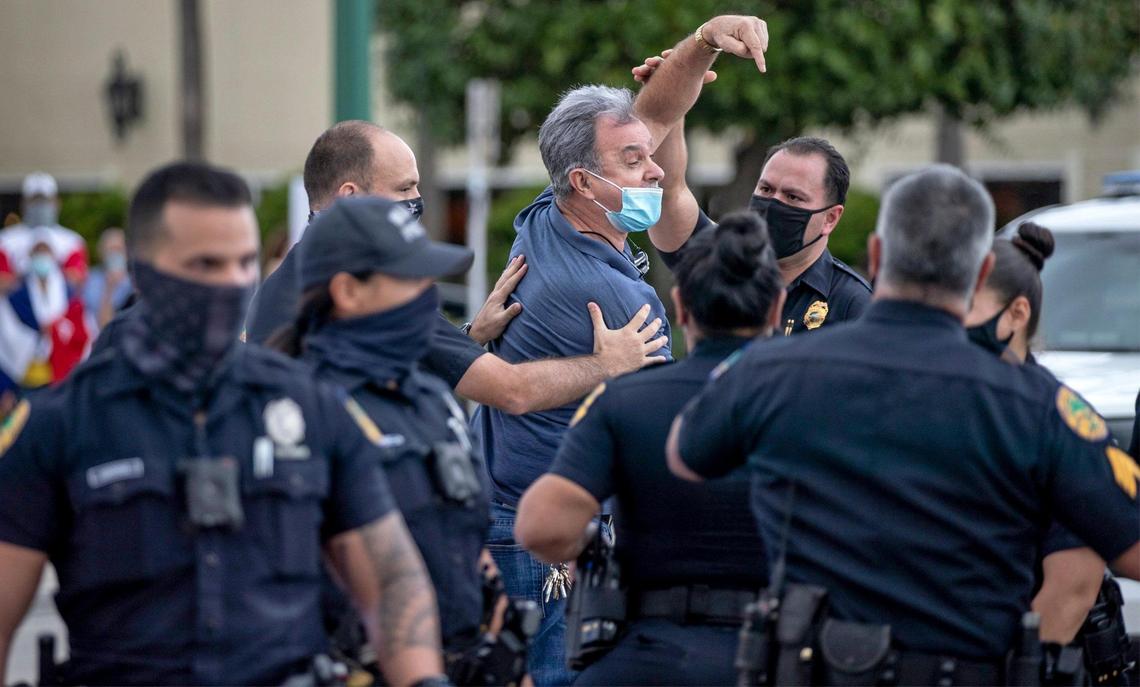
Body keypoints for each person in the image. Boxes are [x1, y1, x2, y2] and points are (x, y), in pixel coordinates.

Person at [668, 165, 1140, 681]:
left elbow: (687, 455)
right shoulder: (1041, 405)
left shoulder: (773, 371)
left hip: (820, 666)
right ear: (981, 272)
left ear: (876, 256)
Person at [0, 162, 447, 686]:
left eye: (244, 262)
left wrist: (423, 680)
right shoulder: (61, 426)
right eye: (207, 264)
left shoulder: (309, 407)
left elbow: (391, 580)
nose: (233, 281)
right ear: (143, 272)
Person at [515, 211, 784, 685]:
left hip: (646, 656)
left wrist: (588, 547)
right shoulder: (808, 400)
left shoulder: (626, 400)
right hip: (776, 653)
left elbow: (541, 526)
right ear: (777, 307)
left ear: (680, 307)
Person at [245, 120, 665, 417]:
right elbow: (512, 391)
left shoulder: (285, 280)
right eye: (404, 188)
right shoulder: (370, 292)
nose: (416, 201)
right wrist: (607, 363)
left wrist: (470, 336)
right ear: (351, 197)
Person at [271, 195, 517, 683]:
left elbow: (472, 543)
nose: (428, 296)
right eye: (411, 279)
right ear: (348, 291)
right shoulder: (294, 413)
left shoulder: (431, 399)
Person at [965, 222, 1135, 683]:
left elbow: (1071, 590)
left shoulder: (1055, 418)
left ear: (1017, 314)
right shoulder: (959, 404)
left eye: (968, 305)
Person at [631, 25, 870, 335]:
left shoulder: (851, 304)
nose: (773, 203)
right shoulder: (721, 261)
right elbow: (669, 193)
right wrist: (671, 93)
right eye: (766, 189)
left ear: (831, 218)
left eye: (793, 197)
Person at [3, 231, 92, 388]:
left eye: (45, 252)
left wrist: (57, 329)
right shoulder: (18, 294)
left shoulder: (68, 292)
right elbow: (10, 331)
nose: (42, 257)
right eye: (38, 252)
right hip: (29, 369)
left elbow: (80, 328)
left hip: (62, 368)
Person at [0, 172, 88, 289]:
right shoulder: (5, 240)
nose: (40, 205)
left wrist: (51, 268)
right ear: (24, 203)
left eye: (45, 200)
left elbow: (78, 283)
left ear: (57, 203)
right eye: (35, 200)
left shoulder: (72, 241)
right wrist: (27, 269)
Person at [83, 227, 133, 330]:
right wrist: (109, 288)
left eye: (119, 249)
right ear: (101, 252)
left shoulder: (135, 280)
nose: (115, 254)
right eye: (111, 249)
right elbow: (100, 322)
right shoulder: (91, 280)